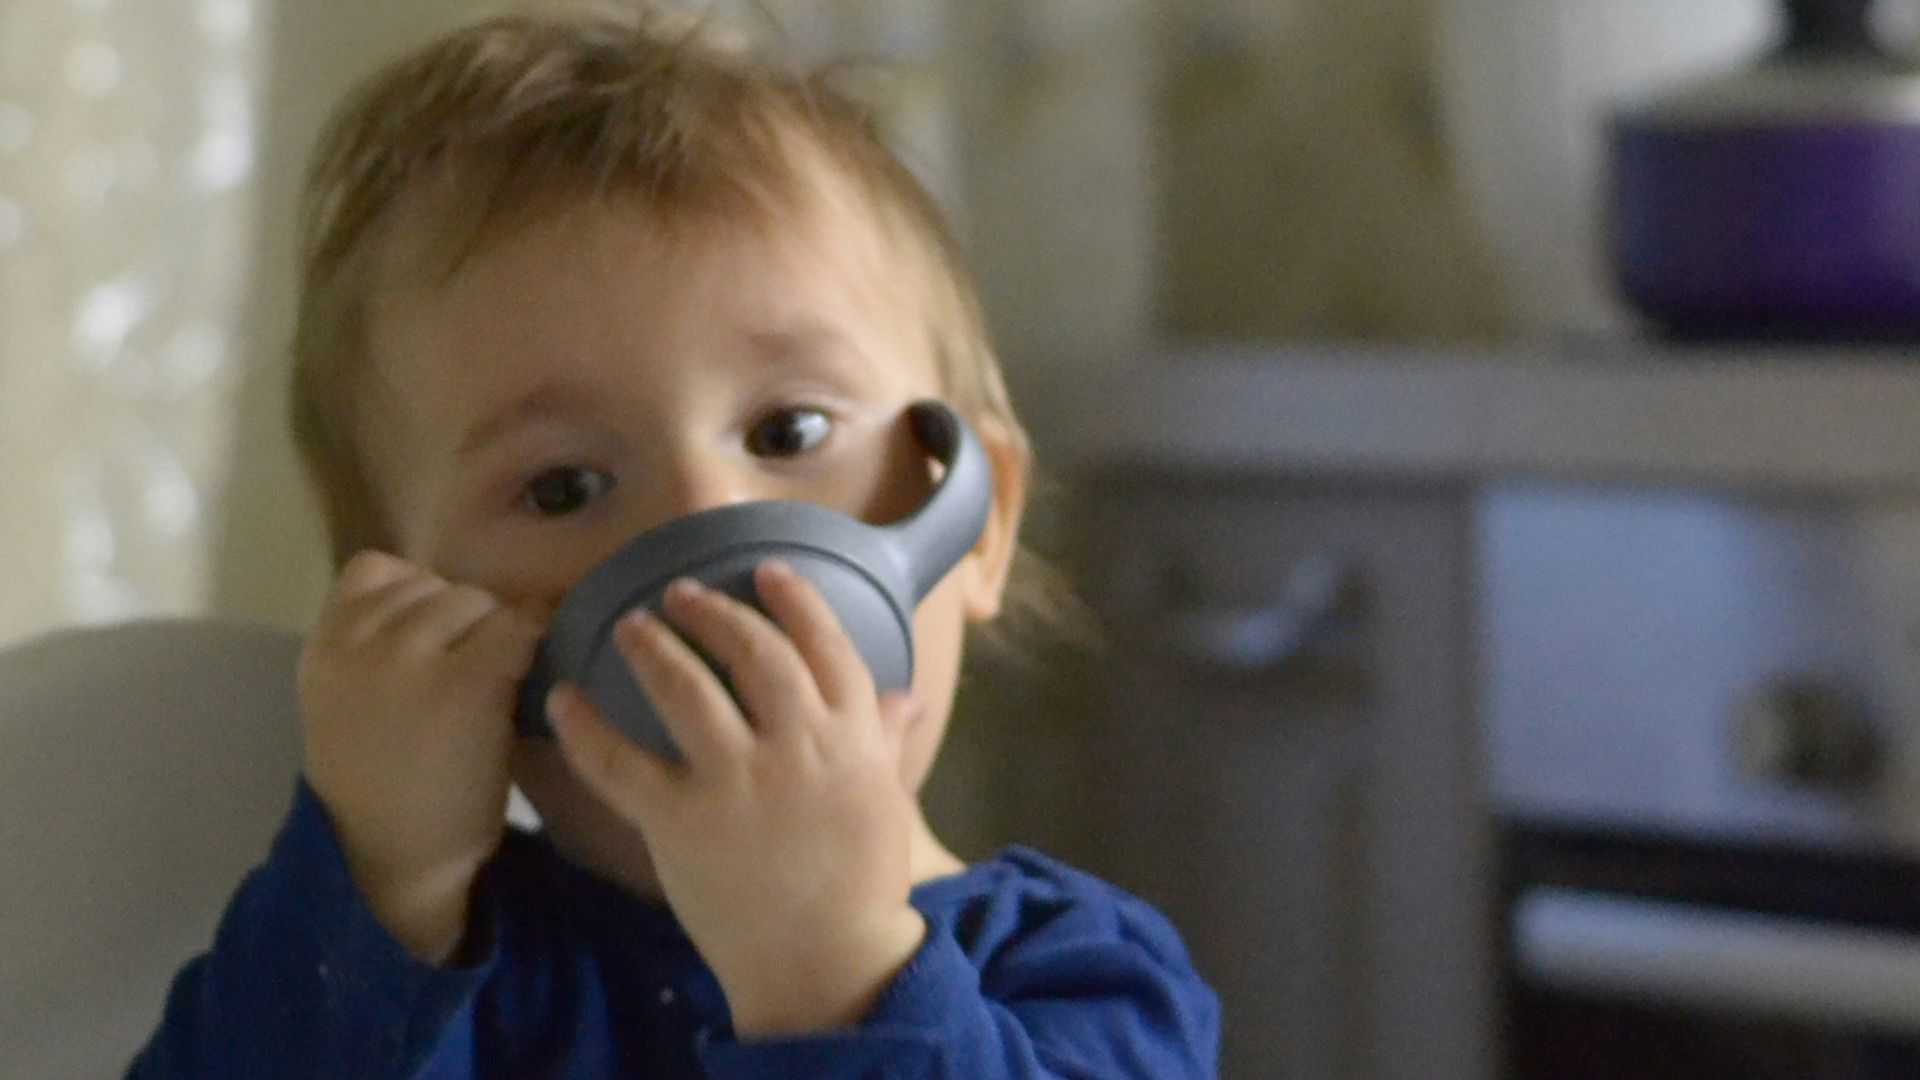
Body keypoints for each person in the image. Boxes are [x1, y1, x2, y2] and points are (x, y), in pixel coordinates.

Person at [129, 4, 1219, 1076]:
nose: (707, 525)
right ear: (426, 622)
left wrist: (824, 971)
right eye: (563, 486)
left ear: (975, 525)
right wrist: (378, 888)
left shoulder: (1084, 976)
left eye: (788, 430)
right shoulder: (430, 971)